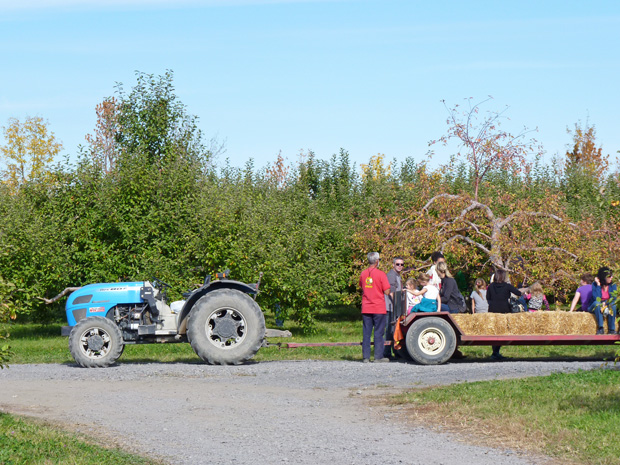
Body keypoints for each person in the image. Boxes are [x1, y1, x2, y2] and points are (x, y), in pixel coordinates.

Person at [359, 252, 391, 363]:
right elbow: (387, 291)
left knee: (366, 333)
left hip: (366, 307)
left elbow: (361, 286)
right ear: (377, 261)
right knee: (378, 332)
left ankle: (366, 357)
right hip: (378, 307)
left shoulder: (363, 273)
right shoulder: (381, 274)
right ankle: (378, 356)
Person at [487, 269, 522, 361]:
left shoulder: (491, 286)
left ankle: (494, 352)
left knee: (494, 331)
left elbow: (488, 298)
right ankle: (496, 352)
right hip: (504, 310)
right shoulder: (507, 286)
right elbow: (518, 293)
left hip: (493, 310)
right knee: (501, 331)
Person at [384, 257, 404, 359]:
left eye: (401, 264)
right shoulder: (391, 275)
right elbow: (391, 293)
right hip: (390, 307)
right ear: (393, 265)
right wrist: (398, 305)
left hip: (394, 306)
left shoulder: (398, 276)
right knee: (389, 330)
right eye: (398, 264)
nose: (400, 266)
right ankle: (386, 353)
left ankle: (394, 351)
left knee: (393, 330)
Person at [588, 267, 617, 335]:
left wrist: (606, 303)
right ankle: (601, 328)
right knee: (597, 304)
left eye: (611, 276)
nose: (611, 277)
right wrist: (598, 285)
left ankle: (611, 330)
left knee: (613, 305)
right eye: (609, 276)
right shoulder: (594, 284)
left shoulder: (613, 285)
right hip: (595, 305)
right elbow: (596, 298)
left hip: (608, 304)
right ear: (604, 277)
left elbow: (613, 298)